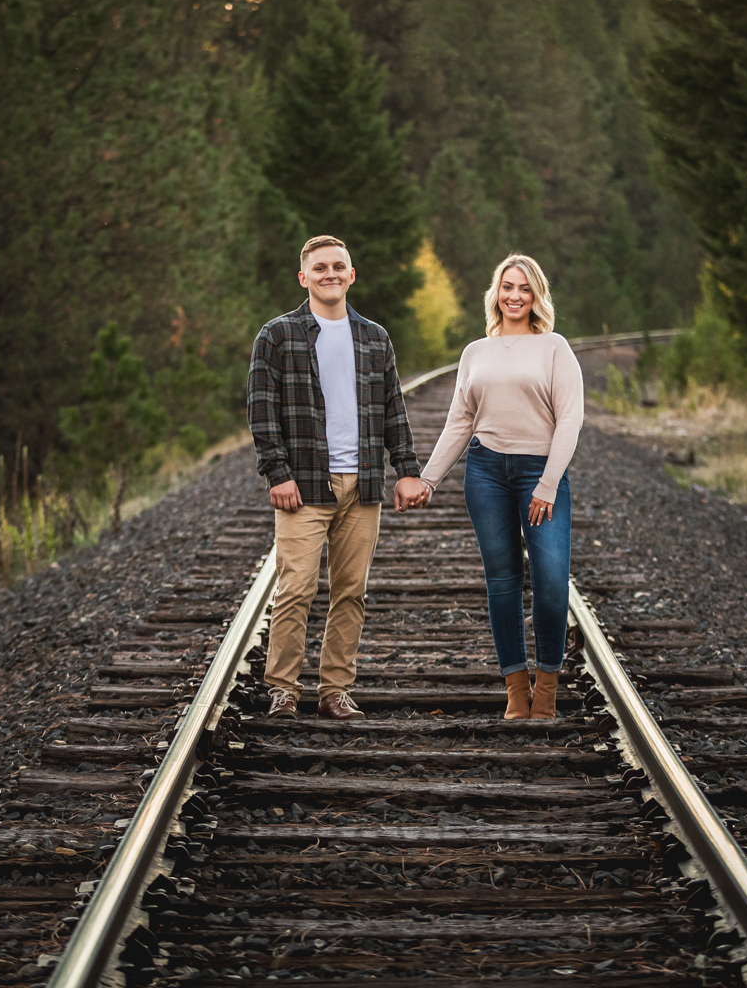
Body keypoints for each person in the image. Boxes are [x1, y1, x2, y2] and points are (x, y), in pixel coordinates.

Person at [248, 235, 428, 721]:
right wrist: (277, 473)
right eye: (320, 268)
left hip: (364, 483)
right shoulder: (278, 335)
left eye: (339, 267)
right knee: (296, 589)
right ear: (304, 278)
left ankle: (335, 690)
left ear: (351, 275)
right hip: (303, 484)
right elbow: (261, 412)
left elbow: (394, 410)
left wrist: (407, 470)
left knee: (351, 591)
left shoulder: (374, 337)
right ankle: (284, 689)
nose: (331, 274)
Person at [419, 253, 583, 720]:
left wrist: (548, 483)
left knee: (551, 583)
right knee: (503, 581)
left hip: (540, 473)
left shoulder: (555, 347)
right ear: (496, 293)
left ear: (537, 296)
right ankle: (516, 688)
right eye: (507, 287)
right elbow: (460, 421)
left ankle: (546, 688)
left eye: (524, 288)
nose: (515, 296)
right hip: (486, 472)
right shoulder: (475, 352)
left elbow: (570, 419)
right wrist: (430, 478)